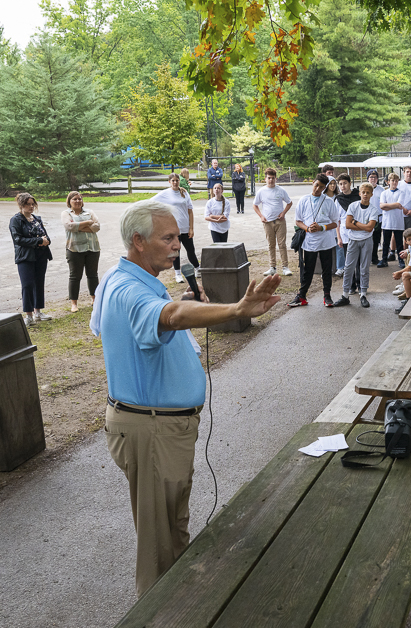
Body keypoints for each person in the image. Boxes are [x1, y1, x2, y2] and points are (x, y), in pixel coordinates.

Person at [98, 199, 280, 597]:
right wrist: (236, 307)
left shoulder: (122, 277)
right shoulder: (130, 289)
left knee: (172, 527)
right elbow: (174, 316)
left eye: (178, 236)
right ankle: (161, 612)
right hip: (152, 431)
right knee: (159, 545)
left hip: (160, 427)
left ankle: (181, 604)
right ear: (138, 241)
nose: (177, 244)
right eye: (168, 237)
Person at [288, 174, 342, 308]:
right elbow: (298, 221)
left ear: (325, 188)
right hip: (309, 240)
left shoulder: (329, 201)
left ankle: (327, 295)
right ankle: (302, 296)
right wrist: (307, 228)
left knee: (326, 269)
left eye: (322, 187)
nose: (318, 189)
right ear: (313, 183)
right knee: (308, 269)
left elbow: (335, 223)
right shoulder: (304, 200)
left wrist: (321, 227)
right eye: (316, 185)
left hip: (326, 241)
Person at [10, 193, 53, 326]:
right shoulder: (16, 220)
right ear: (21, 205)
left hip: (41, 256)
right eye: (28, 204)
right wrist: (39, 240)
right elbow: (18, 239)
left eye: (33, 203)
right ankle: (28, 315)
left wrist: (45, 241)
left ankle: (38, 312)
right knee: (27, 284)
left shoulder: (37, 219)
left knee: (39, 283)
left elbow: (46, 237)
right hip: (25, 257)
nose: (31, 206)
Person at [336, 183, 379, 308]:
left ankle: (363, 294)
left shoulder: (373, 210)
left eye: (368, 192)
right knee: (349, 267)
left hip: (367, 240)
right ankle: (345, 295)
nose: (365, 194)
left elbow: (370, 228)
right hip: (353, 240)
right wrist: (362, 226)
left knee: (364, 267)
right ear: (359, 193)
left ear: (371, 194)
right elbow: (348, 224)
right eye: (363, 192)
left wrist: (355, 222)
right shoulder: (353, 206)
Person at [152, 173, 197, 284]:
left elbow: (190, 211)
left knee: (191, 250)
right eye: (173, 180)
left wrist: (191, 228)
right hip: (173, 229)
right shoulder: (165, 194)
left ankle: (197, 268)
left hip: (185, 227)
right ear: (169, 182)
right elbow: (151, 202)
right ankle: (177, 274)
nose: (175, 182)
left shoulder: (184, 193)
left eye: (177, 180)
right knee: (175, 251)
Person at [61, 192, 101, 312]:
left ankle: (95, 299)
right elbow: (69, 227)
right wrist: (88, 223)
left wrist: (78, 226)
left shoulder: (90, 212)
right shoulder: (66, 213)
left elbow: (97, 227)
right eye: (75, 199)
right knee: (75, 276)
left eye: (79, 199)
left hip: (92, 248)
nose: (78, 201)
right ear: (69, 201)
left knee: (93, 275)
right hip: (74, 249)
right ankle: (74, 304)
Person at [253, 167, 293, 276]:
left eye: (273, 178)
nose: (271, 180)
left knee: (282, 244)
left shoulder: (280, 190)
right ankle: (272, 267)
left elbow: (289, 202)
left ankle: (285, 267)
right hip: (267, 221)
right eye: (269, 178)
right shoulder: (261, 191)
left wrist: (283, 213)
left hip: (279, 221)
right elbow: (255, 205)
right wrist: (261, 216)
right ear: (265, 179)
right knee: (271, 244)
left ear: (276, 179)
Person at [334, 174, 361, 277]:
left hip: (358, 231)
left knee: (358, 260)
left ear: (350, 183)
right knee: (348, 261)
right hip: (345, 233)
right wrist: (339, 238)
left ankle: (360, 283)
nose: (343, 186)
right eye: (340, 184)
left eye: (345, 183)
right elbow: (337, 220)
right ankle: (351, 284)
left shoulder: (357, 196)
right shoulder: (338, 199)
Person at [378, 173, 405, 268]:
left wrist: (387, 206)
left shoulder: (401, 192)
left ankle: (401, 260)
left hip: (398, 221)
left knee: (399, 243)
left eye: (396, 181)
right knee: (385, 242)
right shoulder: (384, 193)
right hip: (387, 222)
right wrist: (394, 206)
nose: (394, 182)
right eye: (393, 180)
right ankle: (384, 260)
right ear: (388, 182)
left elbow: (399, 204)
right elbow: (381, 206)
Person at [366, 169, 385, 264]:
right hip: (367, 218)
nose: (373, 179)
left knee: (376, 239)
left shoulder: (381, 190)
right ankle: (366, 258)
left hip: (378, 218)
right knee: (367, 239)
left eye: (374, 177)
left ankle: (374, 257)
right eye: (371, 177)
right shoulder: (364, 189)